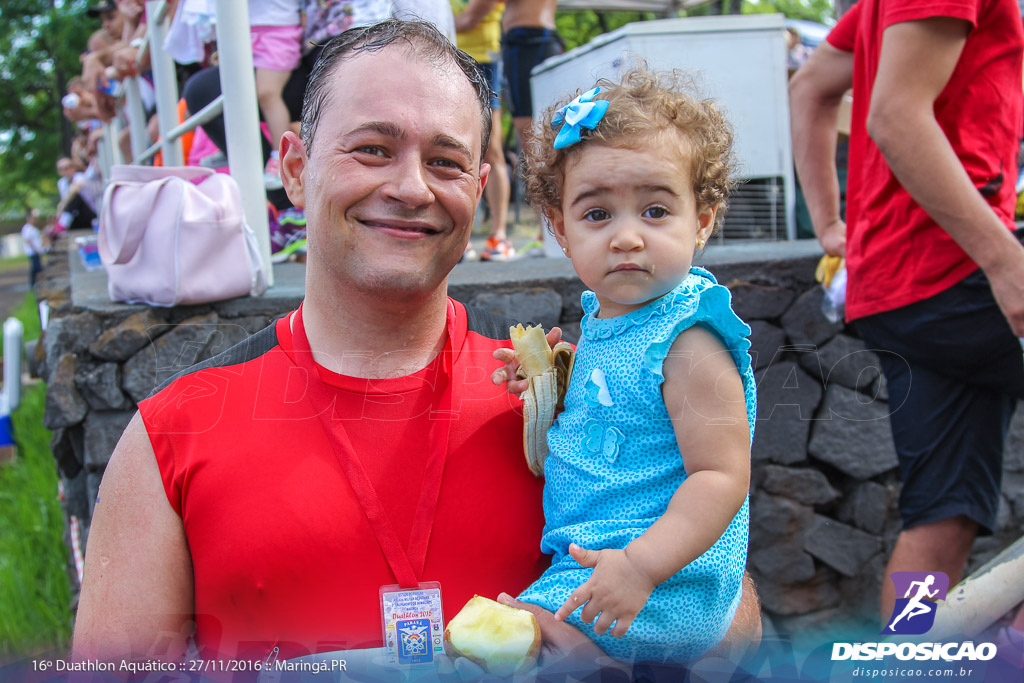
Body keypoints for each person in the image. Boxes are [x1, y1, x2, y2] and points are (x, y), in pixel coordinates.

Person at [72, 20, 760, 668]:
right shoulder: (172, 435)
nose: (409, 187)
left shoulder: (556, 398)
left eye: (445, 161)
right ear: (293, 167)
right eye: (373, 148)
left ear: (481, 188)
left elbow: (719, 594)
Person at [492, 68, 755, 663]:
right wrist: (549, 391)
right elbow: (625, 418)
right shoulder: (607, 325)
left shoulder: (688, 341)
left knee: (513, 646)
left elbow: (720, 476)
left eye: (656, 211)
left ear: (704, 220)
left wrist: (639, 567)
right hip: (599, 563)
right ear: (560, 229)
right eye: (597, 215)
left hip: (660, 584)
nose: (627, 237)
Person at [789, 0, 1024, 624]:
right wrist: (1005, 261)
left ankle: (912, 661)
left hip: (895, 286)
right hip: (960, 271)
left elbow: (810, 87)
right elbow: (894, 115)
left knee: (941, 518)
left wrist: (829, 221)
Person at [451, 0, 515, 261]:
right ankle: (458, 239)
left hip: (483, 60)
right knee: (451, 145)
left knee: (492, 149)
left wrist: (422, 20)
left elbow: (469, 20)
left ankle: (499, 235)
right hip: (446, 56)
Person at [248, 0, 304, 190]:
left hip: (278, 29)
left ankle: (279, 155)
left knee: (267, 93)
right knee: (238, 92)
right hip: (246, 27)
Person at [21, 210, 45, 288]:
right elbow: (28, 240)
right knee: (37, 268)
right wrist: (35, 249)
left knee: (34, 268)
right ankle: (39, 284)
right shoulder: (27, 228)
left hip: (35, 250)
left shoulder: (32, 228)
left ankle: (34, 284)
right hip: (33, 251)